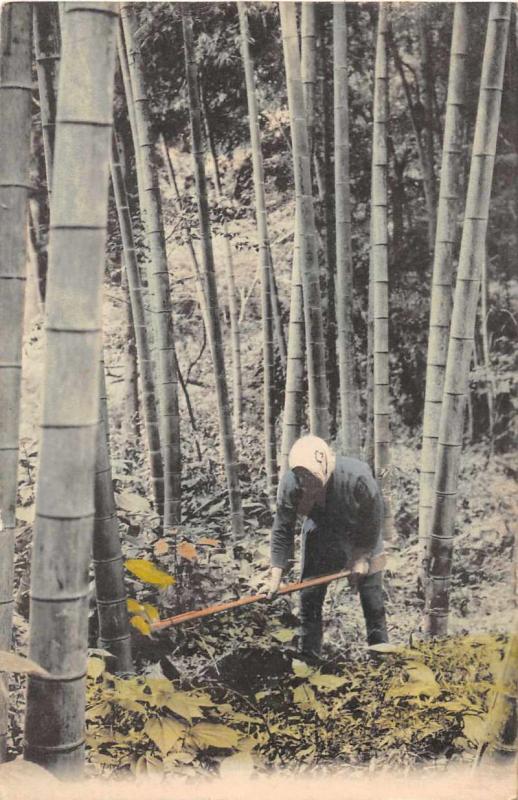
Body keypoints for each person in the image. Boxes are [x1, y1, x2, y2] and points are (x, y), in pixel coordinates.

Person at [268, 435, 388, 656]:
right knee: (309, 597)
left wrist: (361, 557)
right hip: (320, 533)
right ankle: (309, 659)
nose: (306, 484)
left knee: (372, 601)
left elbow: (373, 522)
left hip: (360, 534)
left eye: (311, 478)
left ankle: (381, 660)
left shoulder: (357, 478)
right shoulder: (291, 484)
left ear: (325, 469)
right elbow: (282, 528)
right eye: (301, 477)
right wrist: (276, 575)